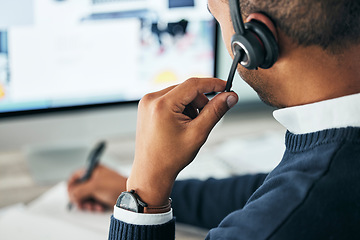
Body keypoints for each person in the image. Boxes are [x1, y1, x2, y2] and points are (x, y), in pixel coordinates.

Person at [68, 0, 360, 239]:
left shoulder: (275, 226)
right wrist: (139, 186)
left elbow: (285, 204)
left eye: (215, 17)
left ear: (256, 38)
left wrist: (142, 195)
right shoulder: (331, 165)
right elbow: (267, 189)